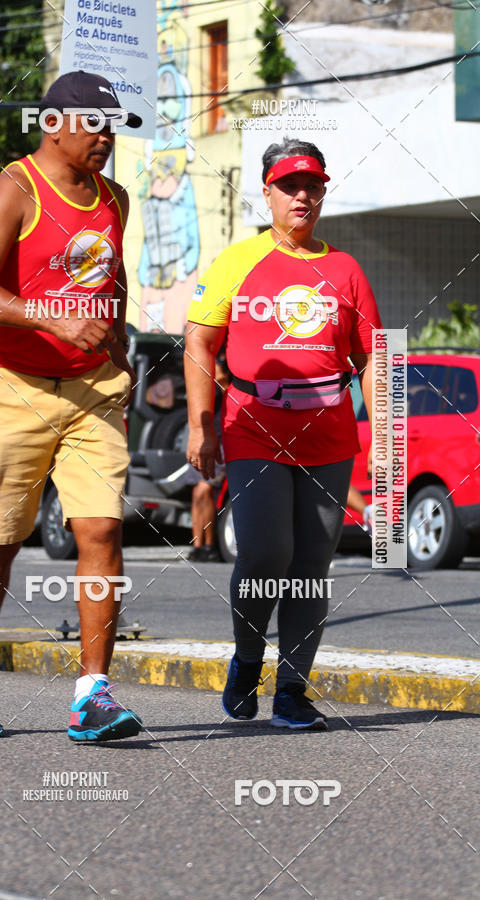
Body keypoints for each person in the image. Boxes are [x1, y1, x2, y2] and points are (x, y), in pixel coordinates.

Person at [0, 71, 143, 741]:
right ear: (52, 125)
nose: (106, 137)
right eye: (95, 125)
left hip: (92, 390)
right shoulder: (17, 187)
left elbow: (110, 277)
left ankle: (92, 695)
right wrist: (53, 319)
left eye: (113, 127)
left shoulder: (115, 198)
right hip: (10, 385)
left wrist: (119, 347)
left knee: (102, 531)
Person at [185, 139, 381, 730]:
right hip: (254, 426)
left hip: (329, 433)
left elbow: (373, 356)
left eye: (312, 186)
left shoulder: (345, 269)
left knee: (312, 564)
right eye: (289, 186)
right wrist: (201, 425)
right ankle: (248, 661)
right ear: (266, 193)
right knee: (267, 553)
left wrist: (386, 439)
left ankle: (292, 690)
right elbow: (199, 340)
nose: (302, 196)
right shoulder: (236, 260)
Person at [188, 356, 229, 562]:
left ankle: (210, 545)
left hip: (222, 445)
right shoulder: (206, 392)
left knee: (205, 491)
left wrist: (221, 383)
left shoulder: (230, 392)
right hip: (203, 443)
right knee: (197, 494)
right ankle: (198, 546)